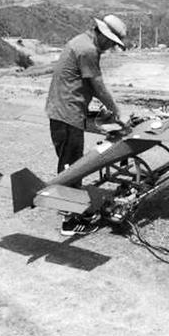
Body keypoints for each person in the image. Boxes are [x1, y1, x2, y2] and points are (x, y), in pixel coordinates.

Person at [45, 14, 127, 235]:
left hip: (63, 110)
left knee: (70, 163)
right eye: (111, 43)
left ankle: (73, 207)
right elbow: (97, 85)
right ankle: (70, 221)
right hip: (67, 113)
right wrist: (115, 110)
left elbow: (83, 84)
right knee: (72, 168)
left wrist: (98, 110)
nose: (110, 47)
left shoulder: (81, 41)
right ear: (104, 35)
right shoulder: (88, 50)